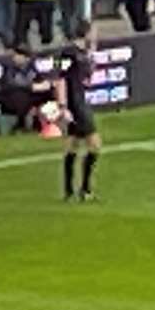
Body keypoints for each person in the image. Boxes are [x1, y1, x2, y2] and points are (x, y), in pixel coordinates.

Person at [57, 35, 101, 202]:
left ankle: (69, 191)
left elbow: (86, 81)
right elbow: (61, 79)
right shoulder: (70, 54)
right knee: (94, 146)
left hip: (79, 103)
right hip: (77, 106)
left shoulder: (83, 55)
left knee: (72, 146)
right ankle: (85, 189)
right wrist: (63, 106)